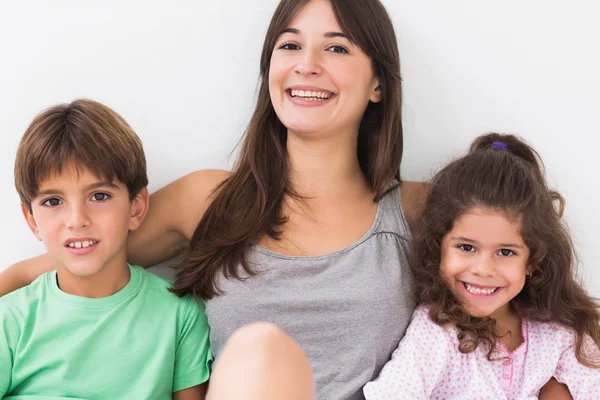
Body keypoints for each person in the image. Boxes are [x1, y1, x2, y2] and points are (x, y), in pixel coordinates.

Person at [0, 1, 571, 399]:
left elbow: (529, 300)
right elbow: (50, 270)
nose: (306, 64)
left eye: (337, 48)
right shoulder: (207, 199)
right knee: (259, 349)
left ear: (378, 84)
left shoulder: (421, 211)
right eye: (290, 44)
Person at [0, 99, 212, 399]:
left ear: (136, 208)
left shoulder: (181, 316)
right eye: (53, 202)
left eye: (99, 196)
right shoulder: (9, 321)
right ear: (32, 221)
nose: (77, 220)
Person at [363, 133, 600, 399]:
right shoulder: (437, 334)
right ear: (438, 249)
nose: (483, 269)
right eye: (466, 247)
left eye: (506, 252)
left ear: (532, 262)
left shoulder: (557, 331)